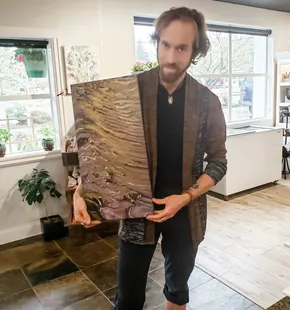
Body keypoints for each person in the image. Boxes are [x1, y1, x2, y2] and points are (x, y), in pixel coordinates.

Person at [73, 6, 227, 310]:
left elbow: (218, 161)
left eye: (182, 48)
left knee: (178, 289)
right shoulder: (126, 94)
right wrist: (82, 191)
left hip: (187, 214)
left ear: (195, 51)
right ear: (156, 42)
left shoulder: (208, 102)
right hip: (134, 211)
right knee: (128, 298)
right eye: (165, 45)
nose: (171, 57)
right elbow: (102, 153)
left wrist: (184, 198)